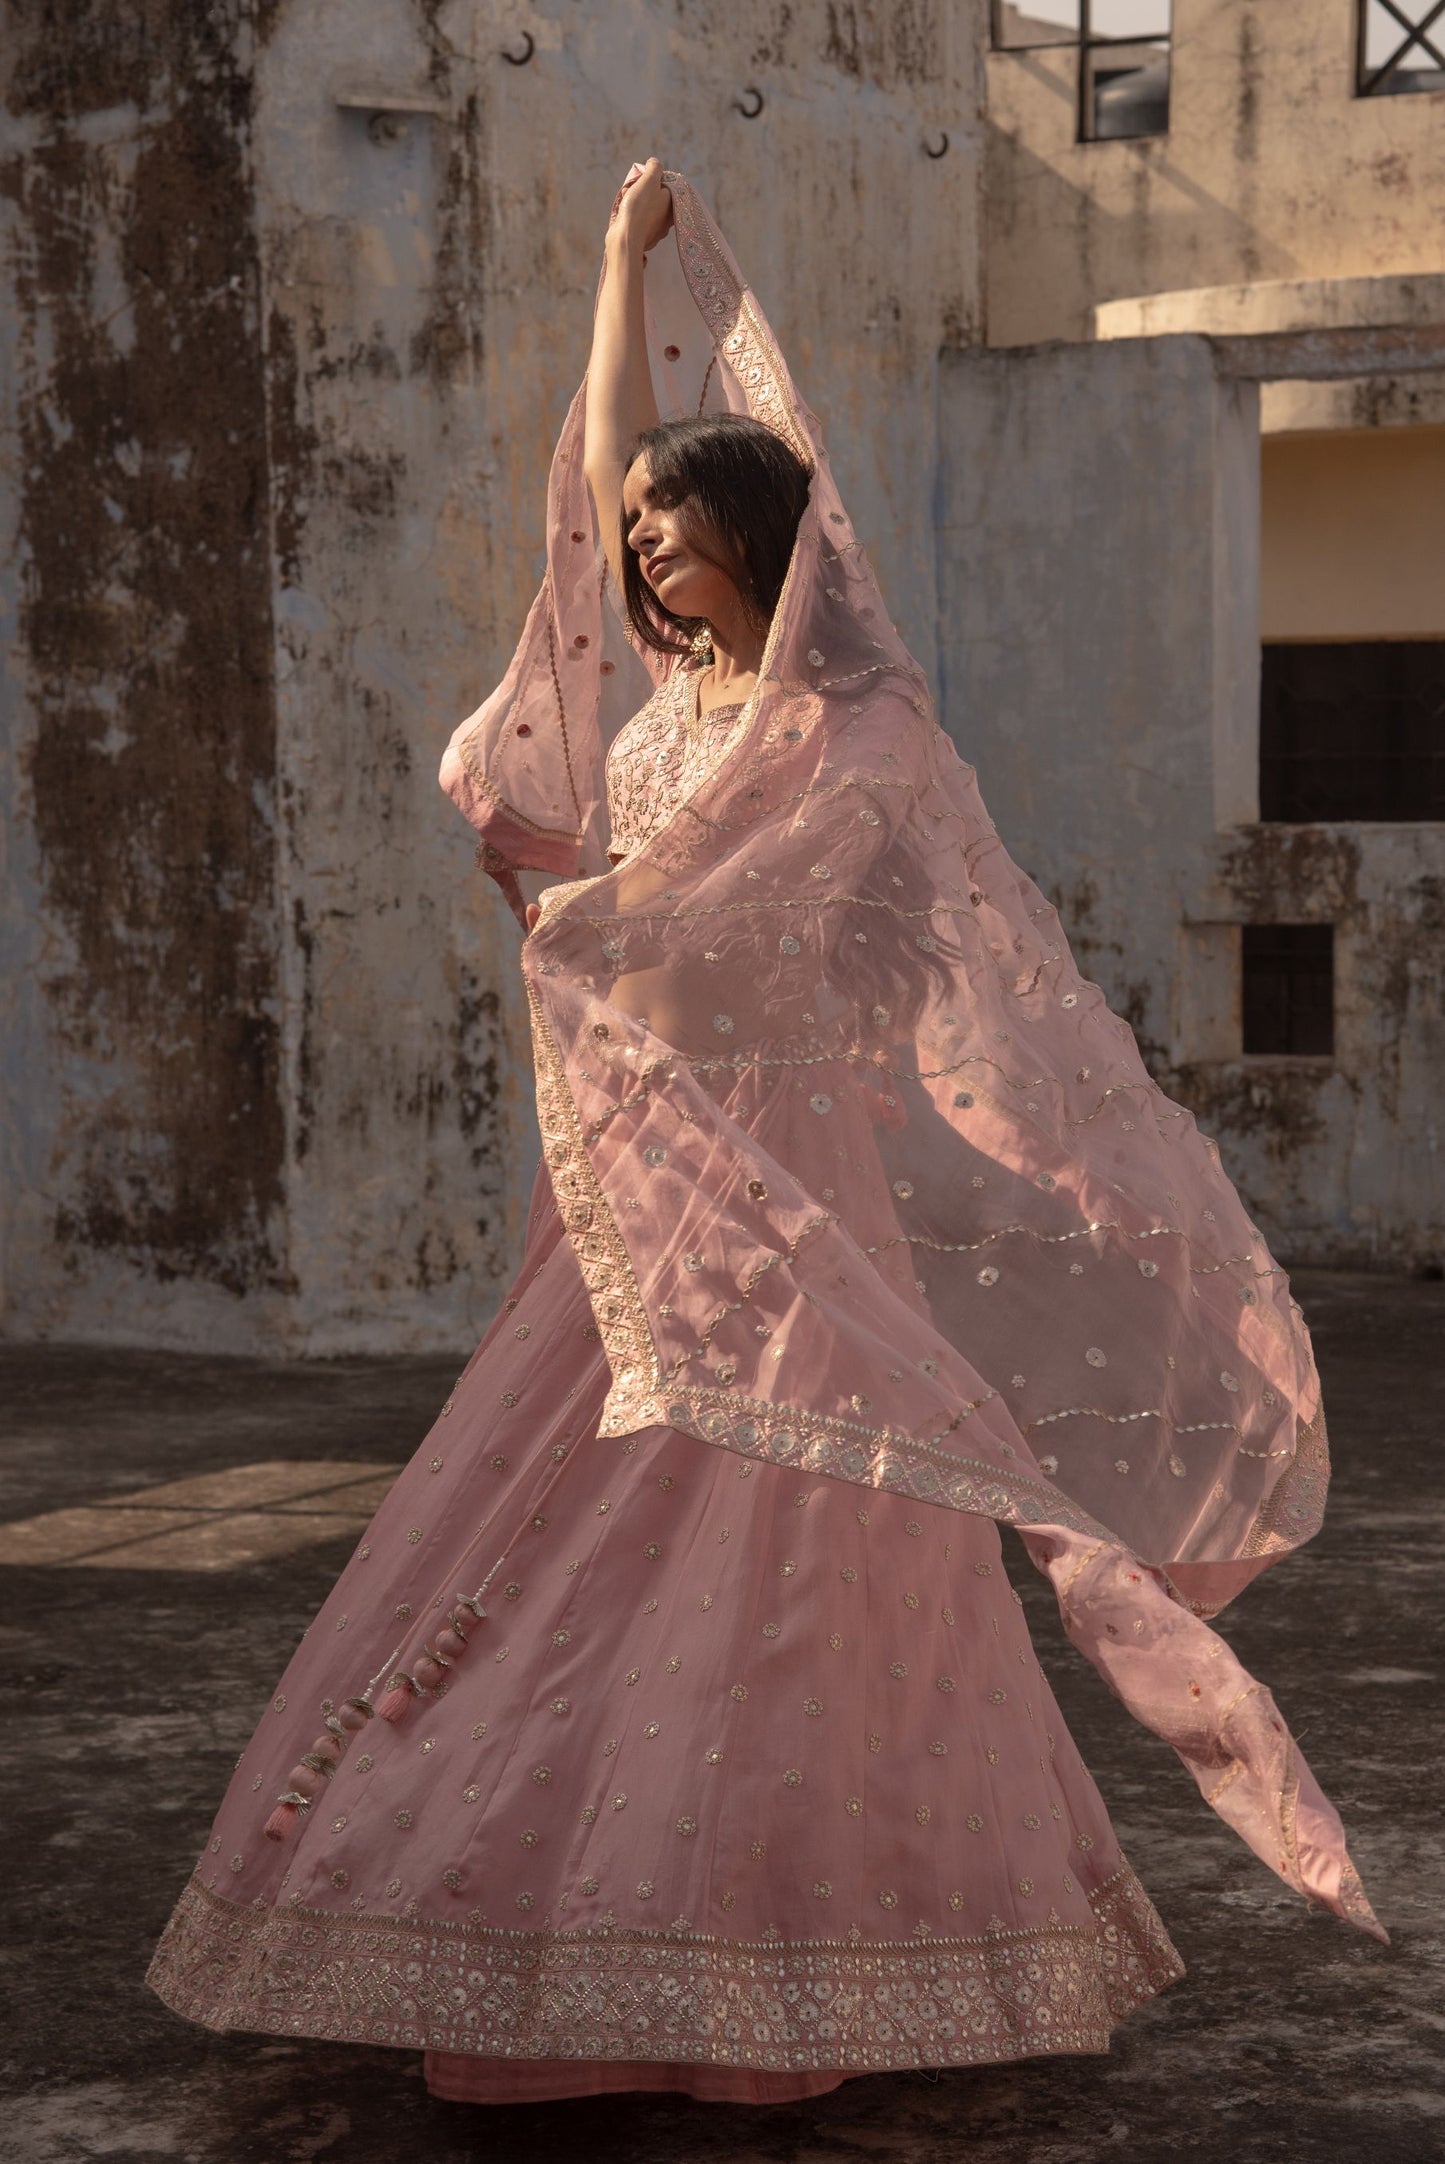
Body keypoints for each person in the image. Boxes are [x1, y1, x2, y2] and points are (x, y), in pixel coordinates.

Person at [148, 161, 1383, 2107]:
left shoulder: (856, 728)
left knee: (812, 1583)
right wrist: (622, 281)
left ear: (764, 537)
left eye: (678, 526)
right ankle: (552, 1947)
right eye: (634, 531)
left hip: (803, 1204)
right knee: (566, 1550)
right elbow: (584, 496)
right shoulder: (662, 712)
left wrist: (598, 932)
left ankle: (799, 1983)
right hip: (642, 1209)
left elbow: (735, 921)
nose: (641, 552)